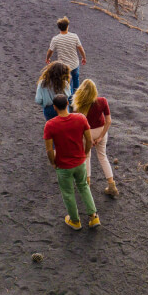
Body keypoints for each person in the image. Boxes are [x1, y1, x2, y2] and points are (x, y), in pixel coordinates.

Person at [43, 94, 100, 230]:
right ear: (68, 104)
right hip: (80, 162)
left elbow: (49, 150)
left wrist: (53, 163)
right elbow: (88, 139)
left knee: (68, 193)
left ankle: (75, 221)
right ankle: (93, 217)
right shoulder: (80, 118)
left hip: (63, 165)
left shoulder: (50, 125)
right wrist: (85, 154)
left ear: (55, 107)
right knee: (84, 187)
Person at [73, 79, 118, 197]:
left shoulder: (78, 104)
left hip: (86, 133)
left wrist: (89, 139)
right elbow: (108, 121)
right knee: (103, 156)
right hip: (100, 131)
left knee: (86, 157)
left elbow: (77, 124)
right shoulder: (102, 101)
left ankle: (87, 184)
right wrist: (101, 136)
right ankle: (112, 185)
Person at [46, 16, 86, 95]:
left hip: (63, 66)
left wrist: (48, 58)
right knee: (75, 79)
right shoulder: (74, 36)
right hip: (74, 64)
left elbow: (50, 50)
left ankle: (69, 98)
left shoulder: (56, 39)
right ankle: (75, 97)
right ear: (67, 26)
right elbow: (80, 49)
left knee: (67, 83)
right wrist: (83, 57)